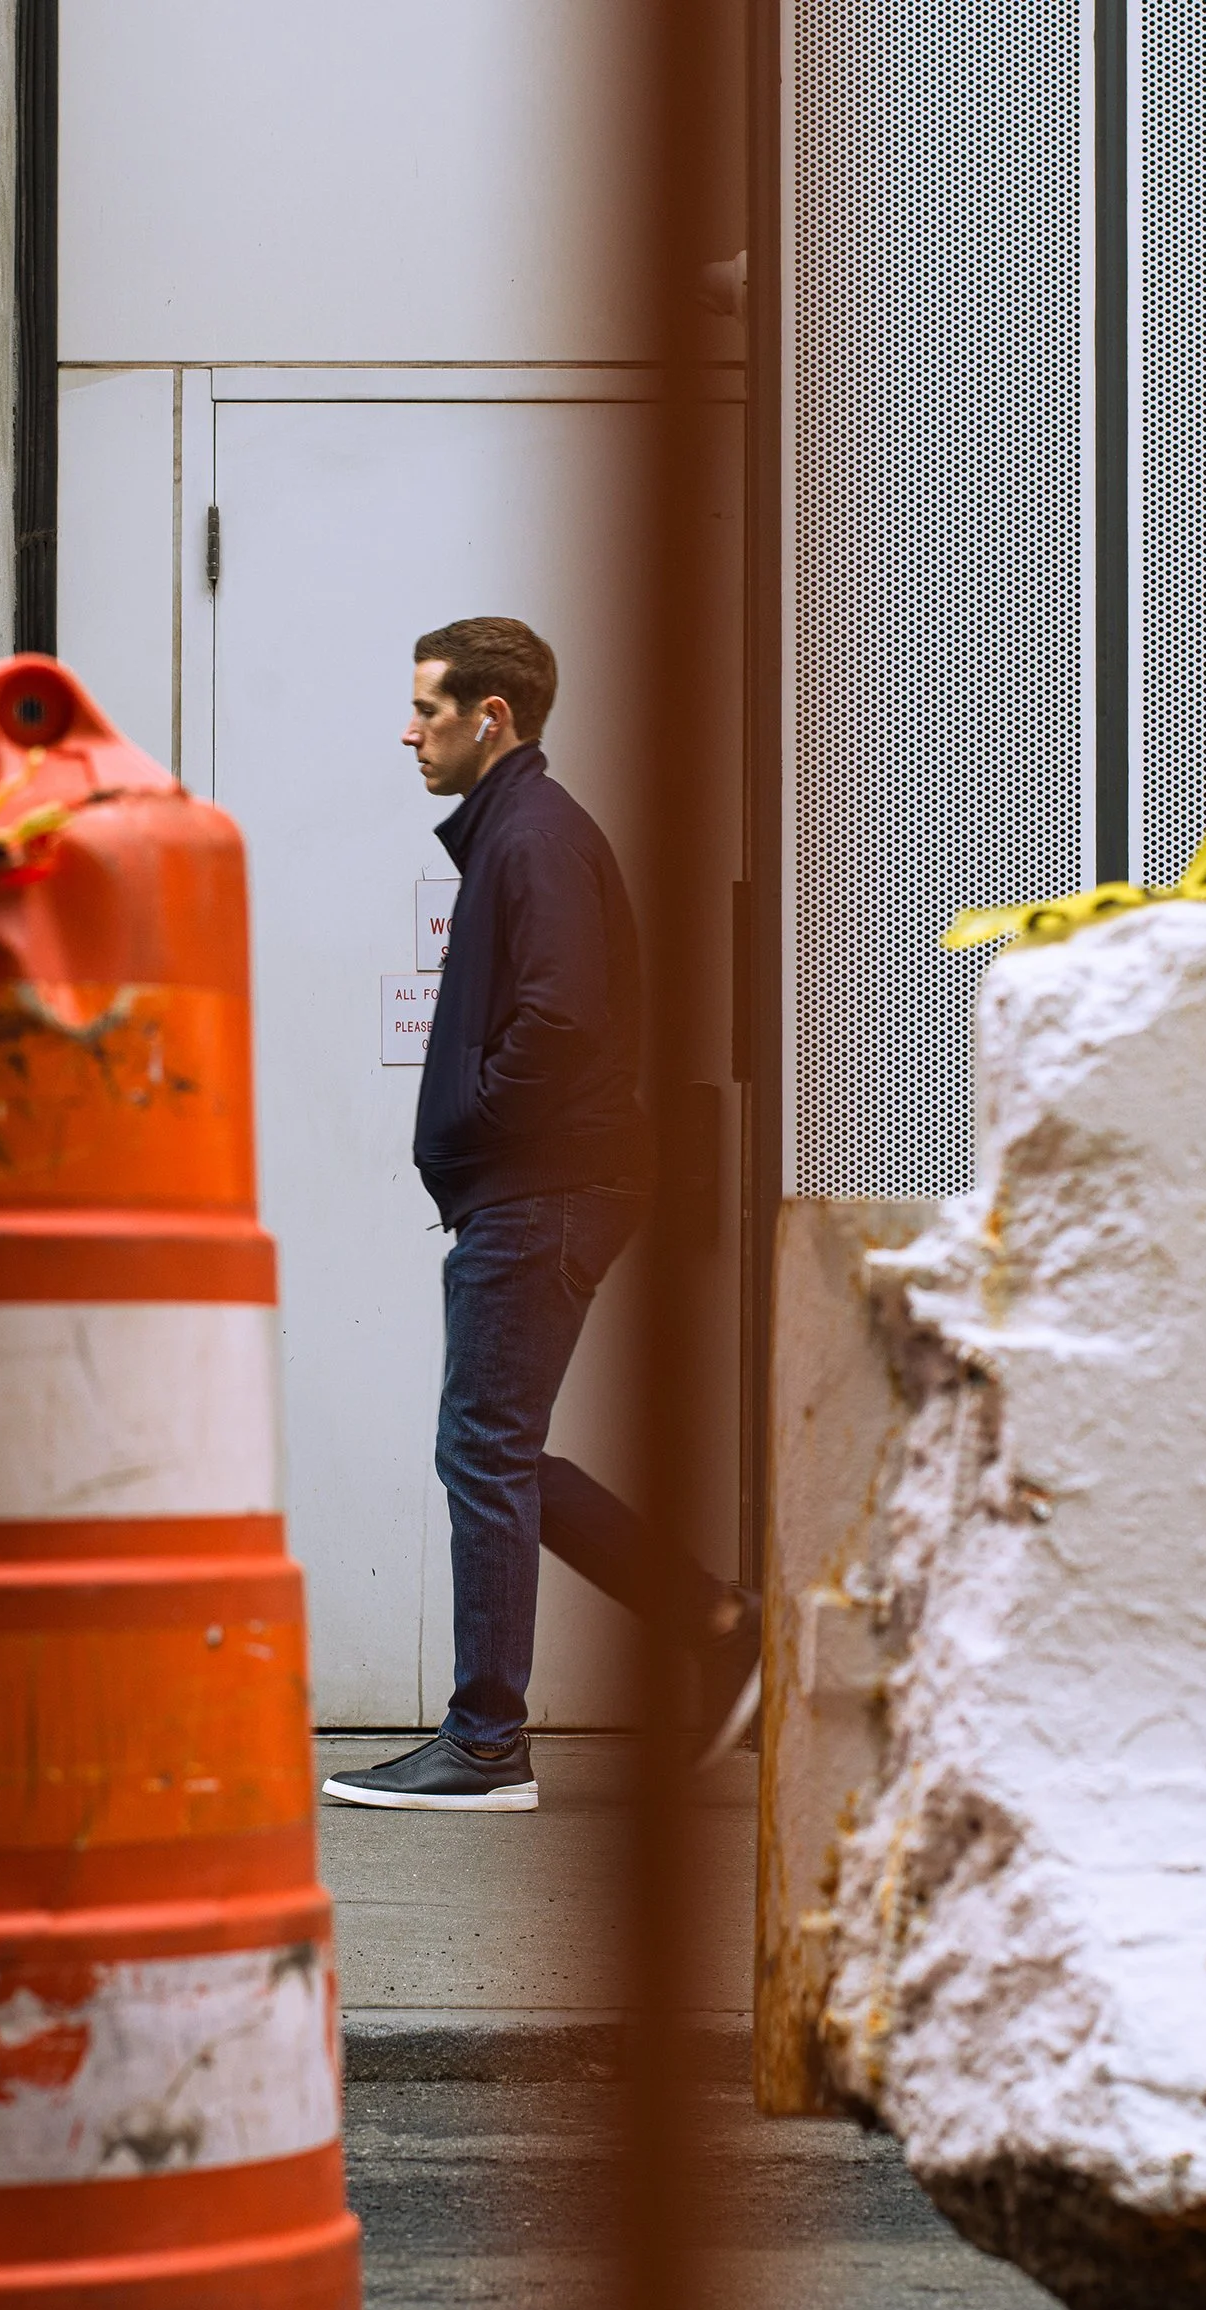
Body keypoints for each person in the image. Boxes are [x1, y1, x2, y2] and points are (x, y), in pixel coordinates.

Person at [323, 618, 747, 1812]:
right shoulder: (516, 832)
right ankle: (717, 1623)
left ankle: (487, 1740)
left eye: (429, 709)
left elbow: (560, 1023)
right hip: (542, 1184)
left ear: (491, 716)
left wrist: (471, 1130)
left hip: (545, 1185)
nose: (409, 731)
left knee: (482, 1447)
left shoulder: (535, 838)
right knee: (496, 1447)